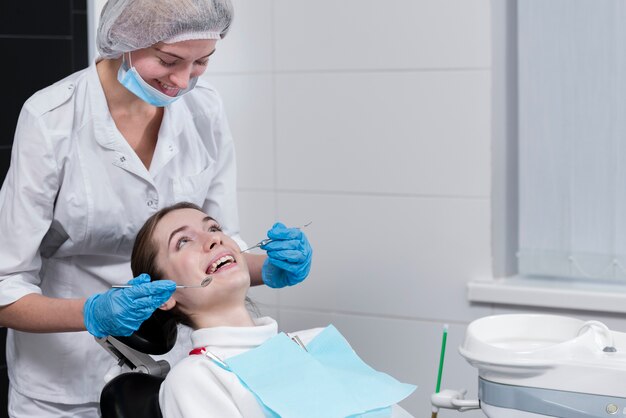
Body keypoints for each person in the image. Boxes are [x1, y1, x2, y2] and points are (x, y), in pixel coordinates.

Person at [0, 0, 312, 416]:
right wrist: (94, 312)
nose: (183, 82)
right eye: (168, 60)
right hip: (63, 379)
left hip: (179, 368)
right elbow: (6, 288)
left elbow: (222, 245)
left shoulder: (205, 109)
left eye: (202, 61)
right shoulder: (51, 118)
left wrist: (267, 268)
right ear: (123, 41)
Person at [131, 202, 416, 418]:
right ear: (163, 294)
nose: (214, 239)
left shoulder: (313, 344)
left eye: (214, 228)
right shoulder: (197, 378)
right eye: (183, 241)